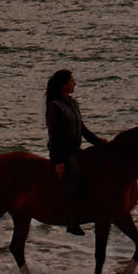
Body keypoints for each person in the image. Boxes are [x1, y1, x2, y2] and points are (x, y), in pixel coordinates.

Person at [44, 69, 106, 235]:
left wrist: (99, 143)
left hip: (75, 150)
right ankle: (72, 222)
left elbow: (82, 129)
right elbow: (54, 135)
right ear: (64, 85)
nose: (75, 83)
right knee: (77, 177)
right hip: (62, 152)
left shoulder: (72, 103)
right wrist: (58, 161)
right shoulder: (54, 106)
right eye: (72, 81)